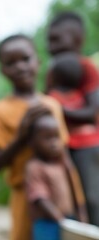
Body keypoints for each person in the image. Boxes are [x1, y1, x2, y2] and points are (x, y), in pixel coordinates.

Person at [0, 34, 70, 240]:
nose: (20, 67)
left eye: (25, 59)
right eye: (11, 63)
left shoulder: (52, 105)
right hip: (25, 197)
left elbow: (63, 157)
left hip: (58, 194)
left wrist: (78, 203)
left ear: (38, 61)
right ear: (3, 70)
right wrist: (22, 135)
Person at [46, 11, 99, 226]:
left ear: (77, 39)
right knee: (67, 199)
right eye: (49, 40)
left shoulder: (86, 67)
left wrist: (59, 109)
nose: (50, 46)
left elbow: (93, 111)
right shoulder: (53, 70)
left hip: (86, 145)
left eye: (56, 39)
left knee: (91, 197)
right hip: (60, 145)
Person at [24, 109, 87, 240]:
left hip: (68, 219)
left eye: (56, 137)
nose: (54, 143)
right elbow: (39, 198)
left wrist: (80, 216)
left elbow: (74, 191)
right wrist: (59, 218)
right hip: (46, 223)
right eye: (47, 138)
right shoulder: (35, 167)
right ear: (32, 142)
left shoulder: (62, 165)